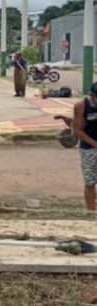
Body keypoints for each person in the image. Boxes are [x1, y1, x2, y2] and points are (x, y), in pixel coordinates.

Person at [71, 82, 97, 211]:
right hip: (88, 148)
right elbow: (77, 130)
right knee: (89, 182)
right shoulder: (81, 106)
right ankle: (91, 213)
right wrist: (94, 144)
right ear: (91, 95)